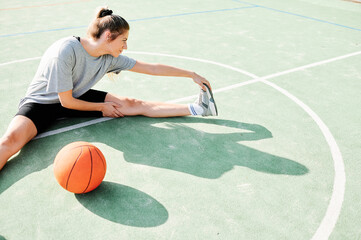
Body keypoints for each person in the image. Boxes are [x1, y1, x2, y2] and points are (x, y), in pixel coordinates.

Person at [0, 7, 218, 171]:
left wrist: (191, 74)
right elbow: (65, 102)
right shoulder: (65, 51)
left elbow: (151, 68)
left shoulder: (109, 58)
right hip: (42, 103)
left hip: (76, 95)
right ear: (107, 36)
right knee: (10, 143)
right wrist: (101, 107)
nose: (125, 46)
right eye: (123, 40)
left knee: (135, 104)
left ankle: (198, 109)